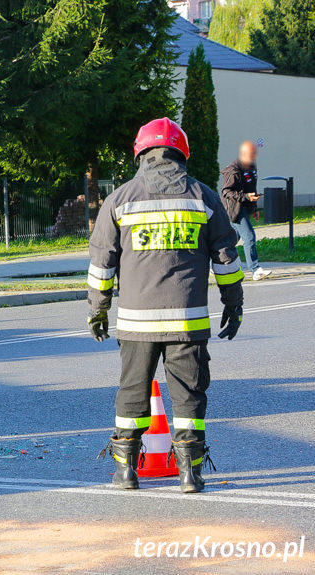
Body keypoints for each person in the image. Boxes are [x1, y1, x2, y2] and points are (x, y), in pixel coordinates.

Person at [87, 118, 244, 494]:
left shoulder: (120, 199)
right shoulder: (203, 197)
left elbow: (102, 261)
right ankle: (189, 474)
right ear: (182, 153)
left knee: (132, 394)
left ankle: (126, 471)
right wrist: (233, 303)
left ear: (141, 153)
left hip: (136, 324)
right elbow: (225, 257)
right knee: (189, 396)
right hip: (187, 322)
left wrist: (98, 309)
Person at [221, 141, 272, 281]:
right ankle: (255, 269)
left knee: (231, 240)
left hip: (244, 206)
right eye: (251, 154)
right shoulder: (233, 170)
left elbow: (252, 187)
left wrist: (254, 208)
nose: (254, 156)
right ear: (243, 154)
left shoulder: (252, 166)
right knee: (249, 236)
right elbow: (226, 192)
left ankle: (214, 263)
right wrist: (245, 197)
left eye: (255, 153)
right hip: (234, 208)